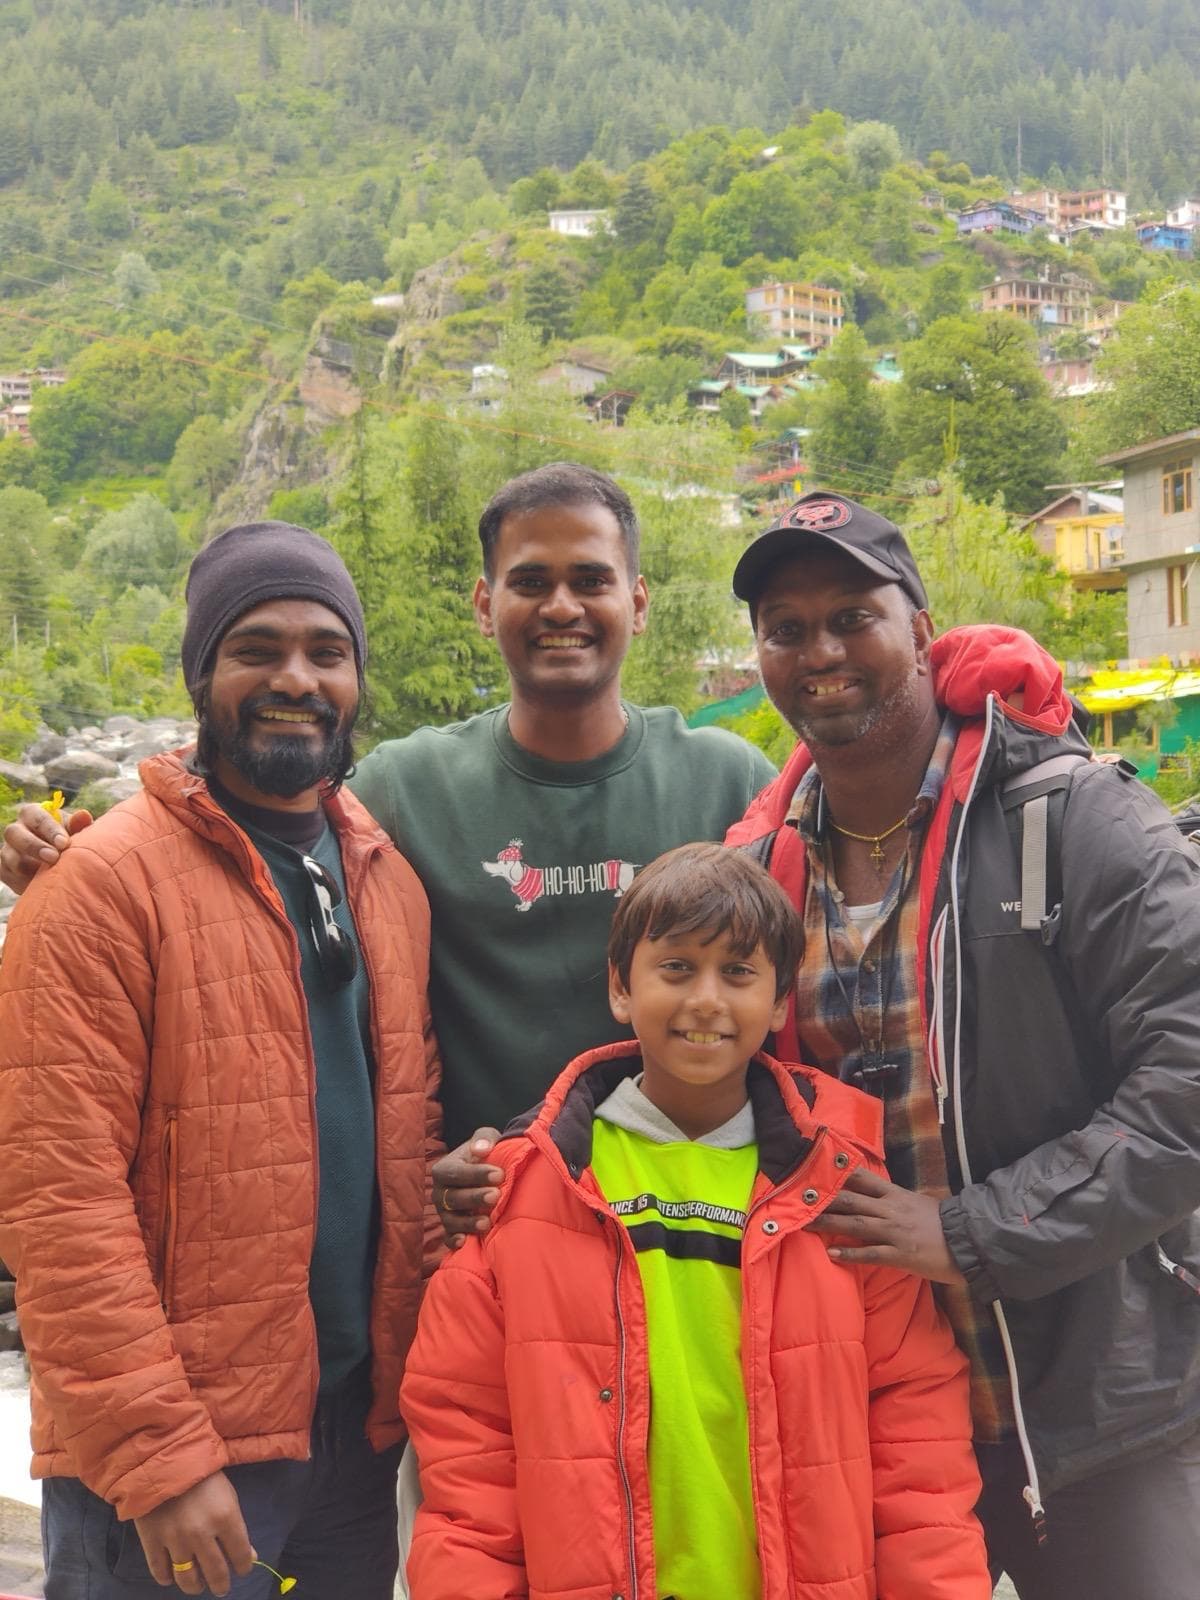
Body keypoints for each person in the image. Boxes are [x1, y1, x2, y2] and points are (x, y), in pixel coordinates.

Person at [1, 464, 775, 1164]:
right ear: (484, 604)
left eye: (591, 580)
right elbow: (247, 830)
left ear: (636, 603)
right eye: (530, 581)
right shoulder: (405, 786)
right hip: (479, 1213)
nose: (561, 606)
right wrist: (77, 847)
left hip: (701, 1200)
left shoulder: (729, 780)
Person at [719, 491, 1200, 1599]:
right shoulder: (756, 874)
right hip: (872, 1429)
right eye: (785, 628)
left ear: (921, 627)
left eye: (852, 614)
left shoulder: (1074, 821)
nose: (819, 649)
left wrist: (969, 1232)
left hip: (1099, 1412)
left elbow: (1183, 1097)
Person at [0, 522, 443, 1600]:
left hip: (351, 1440)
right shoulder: (103, 884)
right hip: (177, 1464)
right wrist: (158, 1457)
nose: (295, 677)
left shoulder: (384, 878)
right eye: (257, 647)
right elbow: (57, 1198)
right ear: (202, 675)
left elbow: (411, 1138)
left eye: (325, 651)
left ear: (355, 680)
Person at [399, 843, 989, 1600]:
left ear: (780, 1003)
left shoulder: (842, 1190)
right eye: (676, 968)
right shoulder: (523, 1192)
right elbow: (467, 1451)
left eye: (739, 973)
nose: (707, 999)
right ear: (621, 986)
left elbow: (917, 1438)